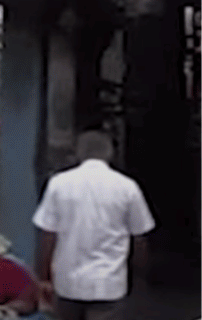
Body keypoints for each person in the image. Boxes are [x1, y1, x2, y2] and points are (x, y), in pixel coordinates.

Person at [33, 130, 155, 320]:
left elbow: (48, 234)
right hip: (109, 283)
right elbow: (139, 237)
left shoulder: (58, 183)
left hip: (67, 282)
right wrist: (140, 276)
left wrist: (45, 277)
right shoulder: (127, 187)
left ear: (78, 153)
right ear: (110, 154)